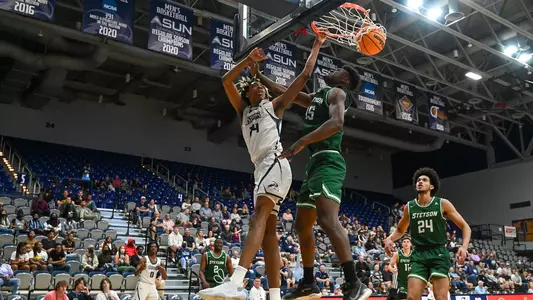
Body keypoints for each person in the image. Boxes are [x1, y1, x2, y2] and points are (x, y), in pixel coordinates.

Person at [199, 33, 327, 300]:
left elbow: (302, 78)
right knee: (269, 232)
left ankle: (235, 282)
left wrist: (316, 45)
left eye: (264, 87)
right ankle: (275, 294)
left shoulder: (275, 105)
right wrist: (248, 60)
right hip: (261, 168)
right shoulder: (243, 110)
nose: (262, 88)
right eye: (257, 86)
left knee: (258, 217)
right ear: (247, 92)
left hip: (275, 163)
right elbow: (226, 80)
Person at [255, 45, 370, 300]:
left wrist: (302, 141)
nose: (334, 70)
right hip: (314, 165)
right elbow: (288, 93)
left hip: (329, 160)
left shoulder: (338, 92)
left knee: (328, 219)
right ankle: (308, 282)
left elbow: (337, 122)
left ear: (345, 79)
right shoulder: (317, 96)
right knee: (302, 224)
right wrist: (259, 75)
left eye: (339, 69)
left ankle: (354, 282)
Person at [384, 168, 471, 300]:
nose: (420, 181)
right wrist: (390, 239)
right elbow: (401, 230)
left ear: (431, 186)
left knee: (440, 297)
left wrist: (464, 246)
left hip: (438, 253)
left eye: (424, 180)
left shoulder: (442, 204)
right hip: (418, 254)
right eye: (418, 180)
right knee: (411, 297)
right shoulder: (410, 206)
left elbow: (465, 226)